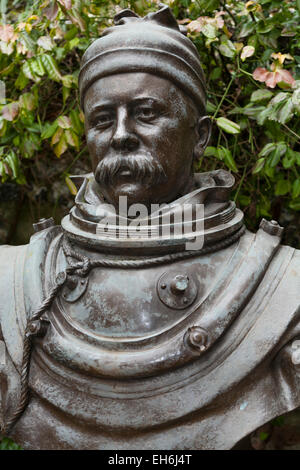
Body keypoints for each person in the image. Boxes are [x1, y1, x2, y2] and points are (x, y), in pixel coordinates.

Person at [0, 5, 299, 450]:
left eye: (145, 112)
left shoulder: (283, 290)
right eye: (103, 119)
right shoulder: (13, 281)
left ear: (200, 136)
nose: (120, 134)